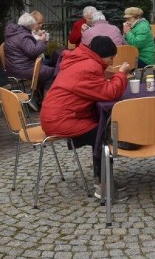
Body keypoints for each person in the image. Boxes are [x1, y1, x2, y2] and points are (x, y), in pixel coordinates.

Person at [40, 36, 130, 200]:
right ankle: (104, 187)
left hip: (57, 115)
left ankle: (103, 179)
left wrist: (113, 75)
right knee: (102, 136)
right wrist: (121, 75)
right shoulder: (89, 67)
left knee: (100, 129)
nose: (111, 62)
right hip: (61, 119)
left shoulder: (82, 59)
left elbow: (95, 82)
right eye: (110, 58)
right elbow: (110, 93)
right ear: (101, 55)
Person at [4, 13, 54, 111]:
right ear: (30, 26)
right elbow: (33, 52)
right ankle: (46, 106)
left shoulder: (13, 33)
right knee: (51, 72)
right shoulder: (23, 36)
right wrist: (42, 41)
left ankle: (35, 98)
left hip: (13, 68)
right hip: (22, 69)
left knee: (43, 71)